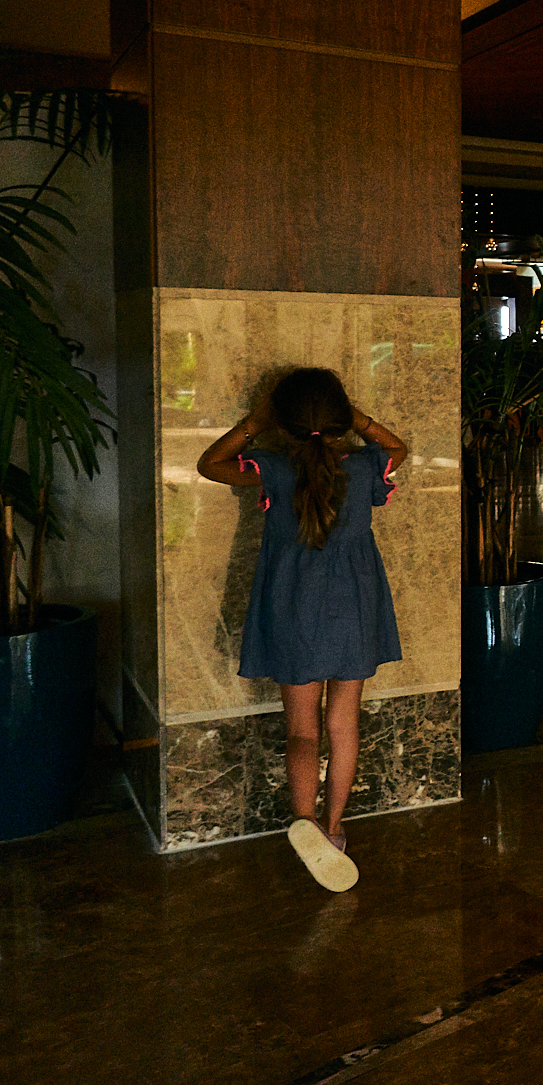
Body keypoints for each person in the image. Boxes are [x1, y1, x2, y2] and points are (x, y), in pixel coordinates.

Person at [198, 368, 409, 892]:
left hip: (293, 607)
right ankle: (334, 829)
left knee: (302, 731)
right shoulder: (364, 468)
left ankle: (305, 824)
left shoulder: (270, 468)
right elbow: (398, 447)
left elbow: (210, 464)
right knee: (343, 724)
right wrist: (357, 419)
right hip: (354, 608)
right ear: (341, 420)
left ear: (283, 424)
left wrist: (255, 423)